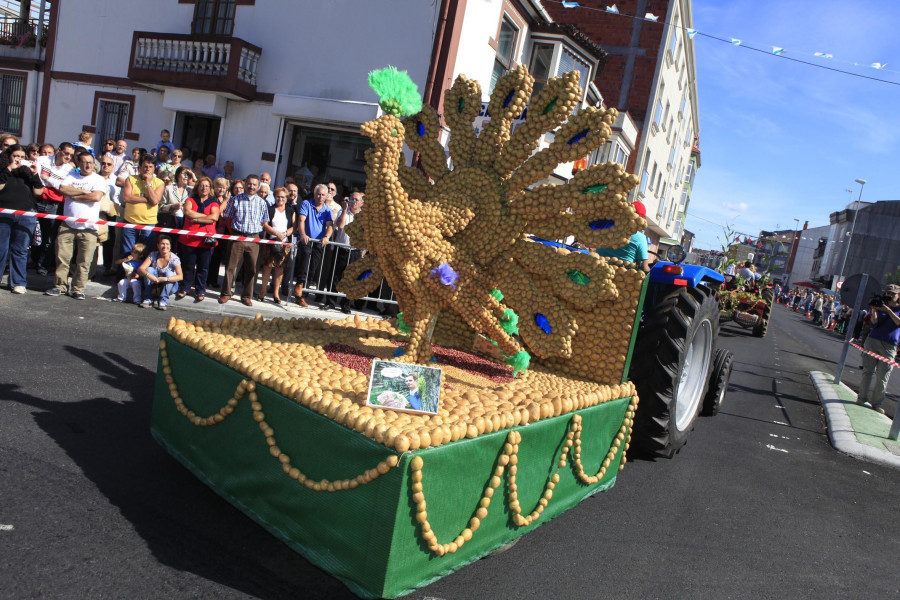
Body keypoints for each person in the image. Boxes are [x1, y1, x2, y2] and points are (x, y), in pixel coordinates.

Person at [45, 152, 106, 299]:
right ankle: (60, 286)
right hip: (68, 224)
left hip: (89, 227)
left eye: (90, 162)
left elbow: (96, 196)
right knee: (62, 258)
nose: (88, 165)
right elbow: (64, 189)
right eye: (84, 162)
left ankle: (78, 289)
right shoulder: (72, 175)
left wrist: (74, 194)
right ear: (78, 163)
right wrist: (84, 191)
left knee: (84, 261)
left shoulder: (98, 179)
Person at [0, 145, 44, 294]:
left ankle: (18, 282)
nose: (19, 159)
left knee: (20, 250)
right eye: (16, 156)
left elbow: (39, 192)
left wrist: (35, 174)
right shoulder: (3, 171)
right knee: (1, 249)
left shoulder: (27, 173)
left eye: (22, 156)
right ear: (9, 156)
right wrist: (8, 170)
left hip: (26, 214)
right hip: (4, 213)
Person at [219, 174, 268, 306]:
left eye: (254, 185)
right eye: (249, 184)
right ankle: (226, 293)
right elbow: (227, 218)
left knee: (251, 269)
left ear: (258, 187)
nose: (251, 187)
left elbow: (264, 222)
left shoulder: (262, 203)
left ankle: (246, 296)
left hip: (254, 238)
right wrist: (233, 233)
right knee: (230, 267)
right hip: (238, 236)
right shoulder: (235, 200)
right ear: (245, 184)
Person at [855, 284, 900, 415]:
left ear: (898, 296)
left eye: (892, 294)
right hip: (873, 340)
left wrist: (888, 310)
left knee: (882, 376)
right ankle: (861, 398)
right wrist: (874, 309)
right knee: (868, 371)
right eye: (887, 293)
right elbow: (873, 323)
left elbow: (898, 322)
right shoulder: (880, 305)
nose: (889, 295)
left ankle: (877, 403)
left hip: (889, 345)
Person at [33, 142, 75, 274]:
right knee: (31, 233)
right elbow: (36, 178)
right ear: (59, 150)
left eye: (71, 155)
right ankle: (31, 261)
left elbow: (63, 187)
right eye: (66, 153)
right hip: (36, 200)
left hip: (54, 205)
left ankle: (42, 265)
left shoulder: (70, 170)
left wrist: (49, 180)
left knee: (49, 238)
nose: (68, 157)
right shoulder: (42, 160)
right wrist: (50, 182)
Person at [178, 176, 220, 302]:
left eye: (207, 186)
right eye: (202, 185)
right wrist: (206, 216)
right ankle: (185, 287)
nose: (204, 188)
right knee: (188, 265)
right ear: (197, 187)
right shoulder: (190, 199)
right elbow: (188, 213)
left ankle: (200, 289)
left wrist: (196, 219)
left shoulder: (214, 202)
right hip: (189, 238)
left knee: (203, 267)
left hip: (206, 240)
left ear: (210, 188)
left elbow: (215, 217)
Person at [322, 191, 364, 313]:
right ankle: (331, 302)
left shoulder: (364, 216)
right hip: (341, 249)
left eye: (356, 200)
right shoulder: (342, 211)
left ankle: (346, 304)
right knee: (335, 276)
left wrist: (364, 251)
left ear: (361, 203)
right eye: (352, 198)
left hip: (355, 251)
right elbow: (340, 226)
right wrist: (345, 210)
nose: (353, 201)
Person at [293, 183, 333, 307]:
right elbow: (301, 220)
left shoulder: (327, 209)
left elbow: (330, 225)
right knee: (305, 255)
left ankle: (302, 295)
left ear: (326, 196)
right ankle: (299, 284)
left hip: (318, 242)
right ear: (314, 194)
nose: (320, 197)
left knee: (313, 266)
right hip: (307, 239)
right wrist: (303, 234)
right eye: (318, 194)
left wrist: (327, 237)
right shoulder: (306, 203)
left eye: (323, 195)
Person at [120, 155, 164, 258]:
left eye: (150, 166)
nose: (147, 169)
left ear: (154, 168)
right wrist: (146, 199)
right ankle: (126, 274)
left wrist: (148, 183)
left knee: (146, 254)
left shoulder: (159, 183)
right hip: (130, 222)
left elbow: (154, 201)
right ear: (140, 168)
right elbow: (126, 198)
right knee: (128, 252)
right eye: (145, 166)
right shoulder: (130, 179)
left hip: (148, 223)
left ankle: (142, 274)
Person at [257, 186, 294, 304]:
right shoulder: (270, 209)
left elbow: (294, 226)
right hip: (271, 242)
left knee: (280, 268)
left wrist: (285, 234)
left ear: (286, 198)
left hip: (284, 243)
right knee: (267, 267)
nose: (280, 199)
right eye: (278, 196)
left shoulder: (290, 211)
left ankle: (276, 293)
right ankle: (262, 291)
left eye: (283, 197)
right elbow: (265, 224)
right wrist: (276, 233)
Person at [594, 201, 650, 271]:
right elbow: (643, 266)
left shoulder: (606, 228)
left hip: (597, 271)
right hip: (622, 276)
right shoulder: (640, 238)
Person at [137, 235, 183, 310]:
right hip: (155, 283)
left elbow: (180, 276)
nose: (165, 246)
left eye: (167, 244)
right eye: (162, 244)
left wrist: (165, 279)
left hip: (169, 286)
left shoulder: (175, 259)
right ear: (158, 245)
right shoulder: (153, 255)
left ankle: (163, 301)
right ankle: (148, 299)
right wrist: (150, 276)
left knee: (170, 273)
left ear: (170, 246)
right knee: (149, 270)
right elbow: (140, 269)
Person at [207, 177, 237, 289]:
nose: (221, 189)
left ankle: (213, 280)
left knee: (218, 257)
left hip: (223, 231)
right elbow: (217, 211)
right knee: (209, 256)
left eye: (224, 187)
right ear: (214, 187)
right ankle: (205, 279)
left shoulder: (229, 199)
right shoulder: (211, 198)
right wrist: (225, 201)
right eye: (219, 186)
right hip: (212, 230)